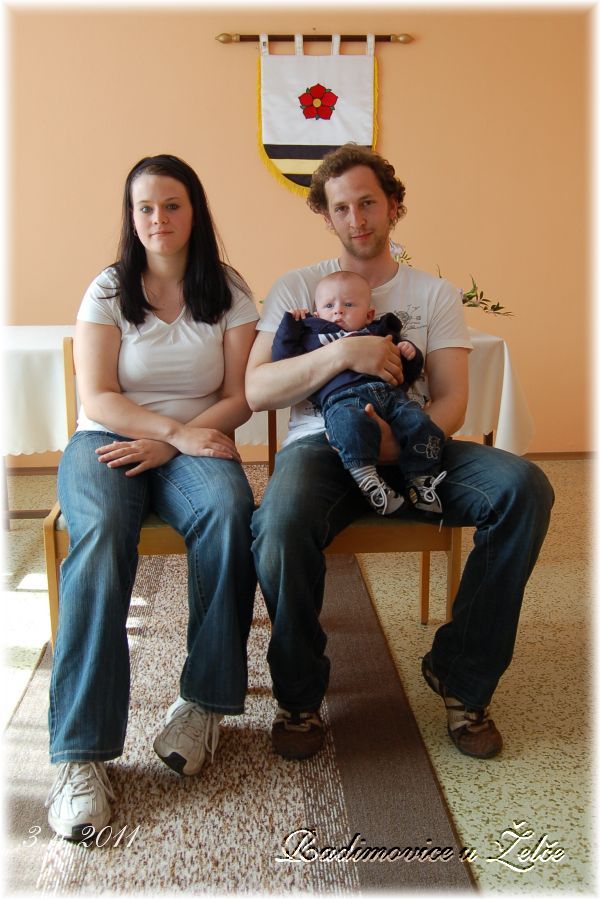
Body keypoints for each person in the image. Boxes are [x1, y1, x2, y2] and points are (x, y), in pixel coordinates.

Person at [246, 144, 554, 762]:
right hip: (322, 450)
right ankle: (300, 696)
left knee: (524, 489)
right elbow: (257, 390)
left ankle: (460, 674)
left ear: (393, 206)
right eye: (341, 208)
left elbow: (452, 400)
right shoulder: (297, 288)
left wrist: (398, 444)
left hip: (419, 447)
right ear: (326, 216)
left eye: (368, 203)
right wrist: (344, 352)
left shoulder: (433, 295)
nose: (356, 218)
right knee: (278, 523)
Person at [46, 154, 258, 840]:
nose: (158, 219)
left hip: (193, 443)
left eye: (171, 205)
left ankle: (203, 704)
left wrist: (176, 443)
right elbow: (98, 394)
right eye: (144, 208)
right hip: (108, 440)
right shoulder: (108, 289)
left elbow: (240, 396)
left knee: (229, 513)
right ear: (130, 217)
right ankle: (79, 756)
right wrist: (168, 432)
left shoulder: (228, 289)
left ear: (194, 211)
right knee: (102, 533)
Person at [272, 269, 447, 516]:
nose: (338, 311)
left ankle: (421, 480)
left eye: (349, 304)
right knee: (349, 426)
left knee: (419, 422)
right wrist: (291, 325)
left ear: (369, 314)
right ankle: (367, 479)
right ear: (316, 313)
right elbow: (283, 359)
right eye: (329, 305)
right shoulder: (312, 334)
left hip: (390, 396)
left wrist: (410, 353)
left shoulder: (380, 332)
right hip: (343, 398)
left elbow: (406, 374)